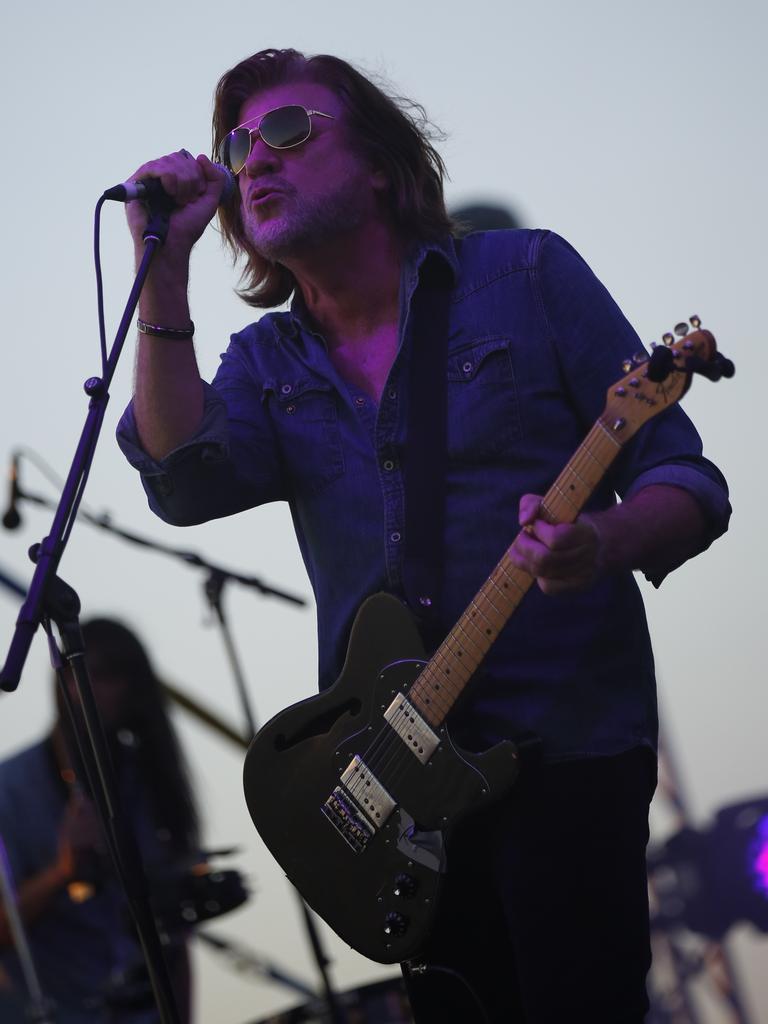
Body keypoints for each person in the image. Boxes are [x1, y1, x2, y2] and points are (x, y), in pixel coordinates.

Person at [115, 48, 730, 1022]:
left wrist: (599, 546)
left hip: (565, 747)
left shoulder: (524, 274)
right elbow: (181, 482)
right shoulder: (266, 359)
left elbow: (685, 476)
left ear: (379, 166)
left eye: (286, 131)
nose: (253, 161)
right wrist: (165, 273)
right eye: (236, 146)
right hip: (396, 792)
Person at [0, 619, 199, 1024]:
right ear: (63, 683)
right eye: (94, 674)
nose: (106, 690)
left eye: (117, 675)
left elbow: (176, 942)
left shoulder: (147, 782)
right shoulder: (10, 789)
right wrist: (62, 873)